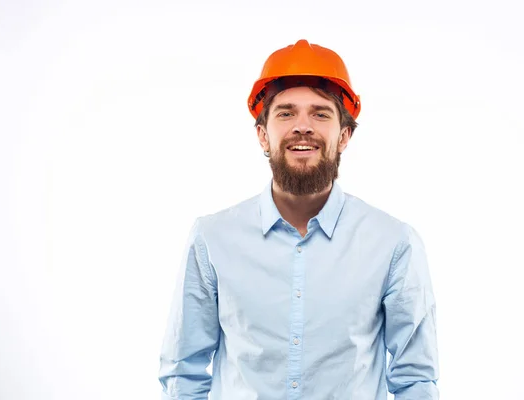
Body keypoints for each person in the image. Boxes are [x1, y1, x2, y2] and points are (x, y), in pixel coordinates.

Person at [158, 39, 439, 400]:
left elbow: (415, 379)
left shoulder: (393, 243)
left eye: (320, 114)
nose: (302, 127)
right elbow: (183, 374)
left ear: (344, 136)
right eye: (286, 113)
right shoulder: (212, 239)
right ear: (263, 135)